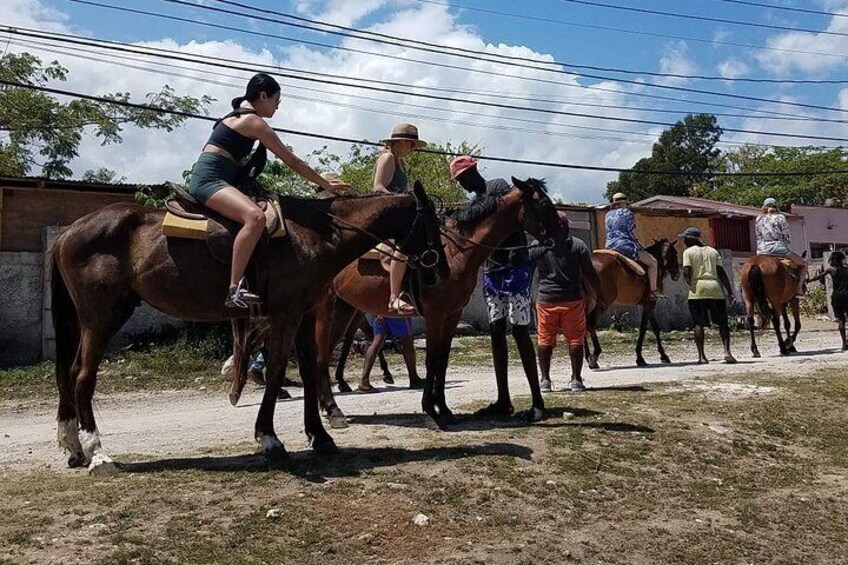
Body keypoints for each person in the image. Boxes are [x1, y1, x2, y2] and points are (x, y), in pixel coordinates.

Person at [187, 73, 348, 308]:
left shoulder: (238, 116)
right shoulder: (254, 122)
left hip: (223, 179)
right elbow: (291, 161)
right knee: (255, 217)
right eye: (276, 101)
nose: (277, 107)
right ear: (263, 96)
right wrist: (325, 184)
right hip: (209, 181)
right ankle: (234, 290)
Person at [450, 155, 544, 417]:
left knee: (521, 332)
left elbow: (509, 215)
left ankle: (538, 402)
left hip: (516, 267)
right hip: (493, 271)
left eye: (461, 179)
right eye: (457, 181)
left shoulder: (499, 186)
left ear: (472, 172)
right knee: (496, 333)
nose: (461, 184)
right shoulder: (474, 203)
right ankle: (504, 400)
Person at [529, 211, 604, 392]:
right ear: (563, 226)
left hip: (546, 300)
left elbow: (527, 271)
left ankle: (545, 380)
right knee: (576, 339)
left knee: (545, 339)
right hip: (573, 300)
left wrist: (526, 296)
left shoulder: (537, 245)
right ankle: (576, 379)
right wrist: (600, 294)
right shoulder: (577, 245)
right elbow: (590, 273)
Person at [373, 123, 426, 315]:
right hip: (388, 216)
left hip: (400, 215)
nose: (412, 149)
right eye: (412, 145)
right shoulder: (387, 158)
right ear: (403, 141)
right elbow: (378, 188)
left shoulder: (400, 161)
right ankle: (394, 297)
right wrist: (401, 201)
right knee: (402, 248)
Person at [680, 227, 737, 364]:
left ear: (690, 239)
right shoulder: (713, 251)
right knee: (723, 323)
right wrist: (730, 292)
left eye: (685, 238)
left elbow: (687, 272)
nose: (684, 241)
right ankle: (727, 352)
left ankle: (702, 357)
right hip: (715, 289)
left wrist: (691, 284)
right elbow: (721, 273)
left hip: (697, 290)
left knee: (698, 323)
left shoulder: (688, 252)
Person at [605, 192, 658, 299]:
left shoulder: (607, 214)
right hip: (624, 245)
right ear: (624, 202)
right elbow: (630, 231)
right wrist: (638, 246)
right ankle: (653, 291)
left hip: (609, 245)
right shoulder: (627, 212)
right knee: (653, 262)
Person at [756, 197, 808, 297]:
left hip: (761, 251)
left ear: (764, 207)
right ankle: (799, 288)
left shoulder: (759, 218)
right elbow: (787, 237)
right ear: (776, 206)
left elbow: (759, 236)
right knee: (804, 264)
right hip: (778, 249)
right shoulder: (780, 217)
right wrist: (784, 243)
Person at [358, 314, 424, 392]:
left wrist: (379, 312)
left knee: (377, 342)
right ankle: (414, 378)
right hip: (396, 312)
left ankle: (364, 380)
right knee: (407, 342)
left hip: (377, 312)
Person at [807, 251, 848, 351]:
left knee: (841, 320)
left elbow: (819, 277)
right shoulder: (847, 270)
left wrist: (808, 280)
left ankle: (844, 343)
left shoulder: (831, 270)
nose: (830, 261)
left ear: (834, 260)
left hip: (836, 297)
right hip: (847, 296)